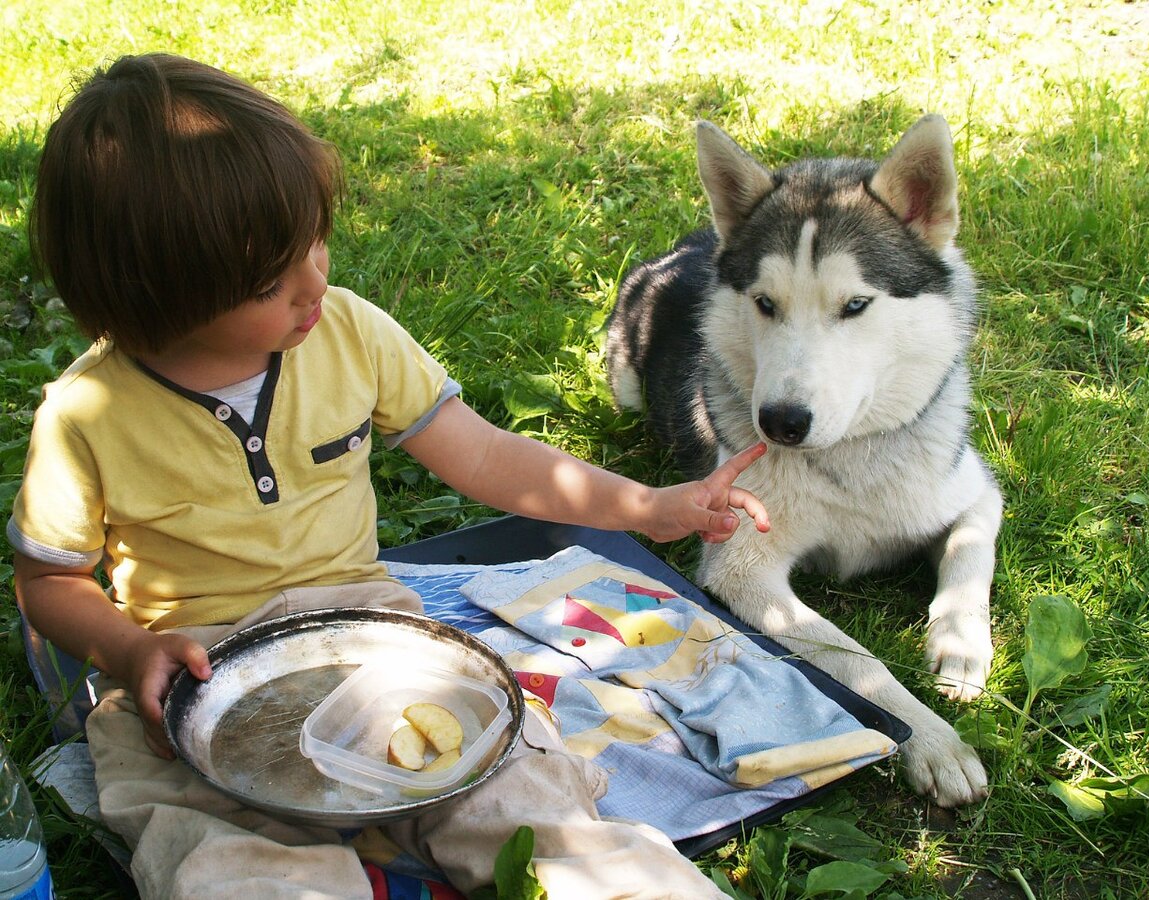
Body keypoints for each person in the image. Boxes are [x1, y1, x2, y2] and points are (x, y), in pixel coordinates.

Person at [7, 53, 770, 900]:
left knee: (522, 800)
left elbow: (483, 454)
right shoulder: (89, 416)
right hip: (200, 691)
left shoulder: (348, 334)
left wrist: (647, 506)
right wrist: (128, 647)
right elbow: (49, 581)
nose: (316, 284)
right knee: (228, 866)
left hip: (373, 643)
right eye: (271, 280)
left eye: (315, 244)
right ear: (154, 295)